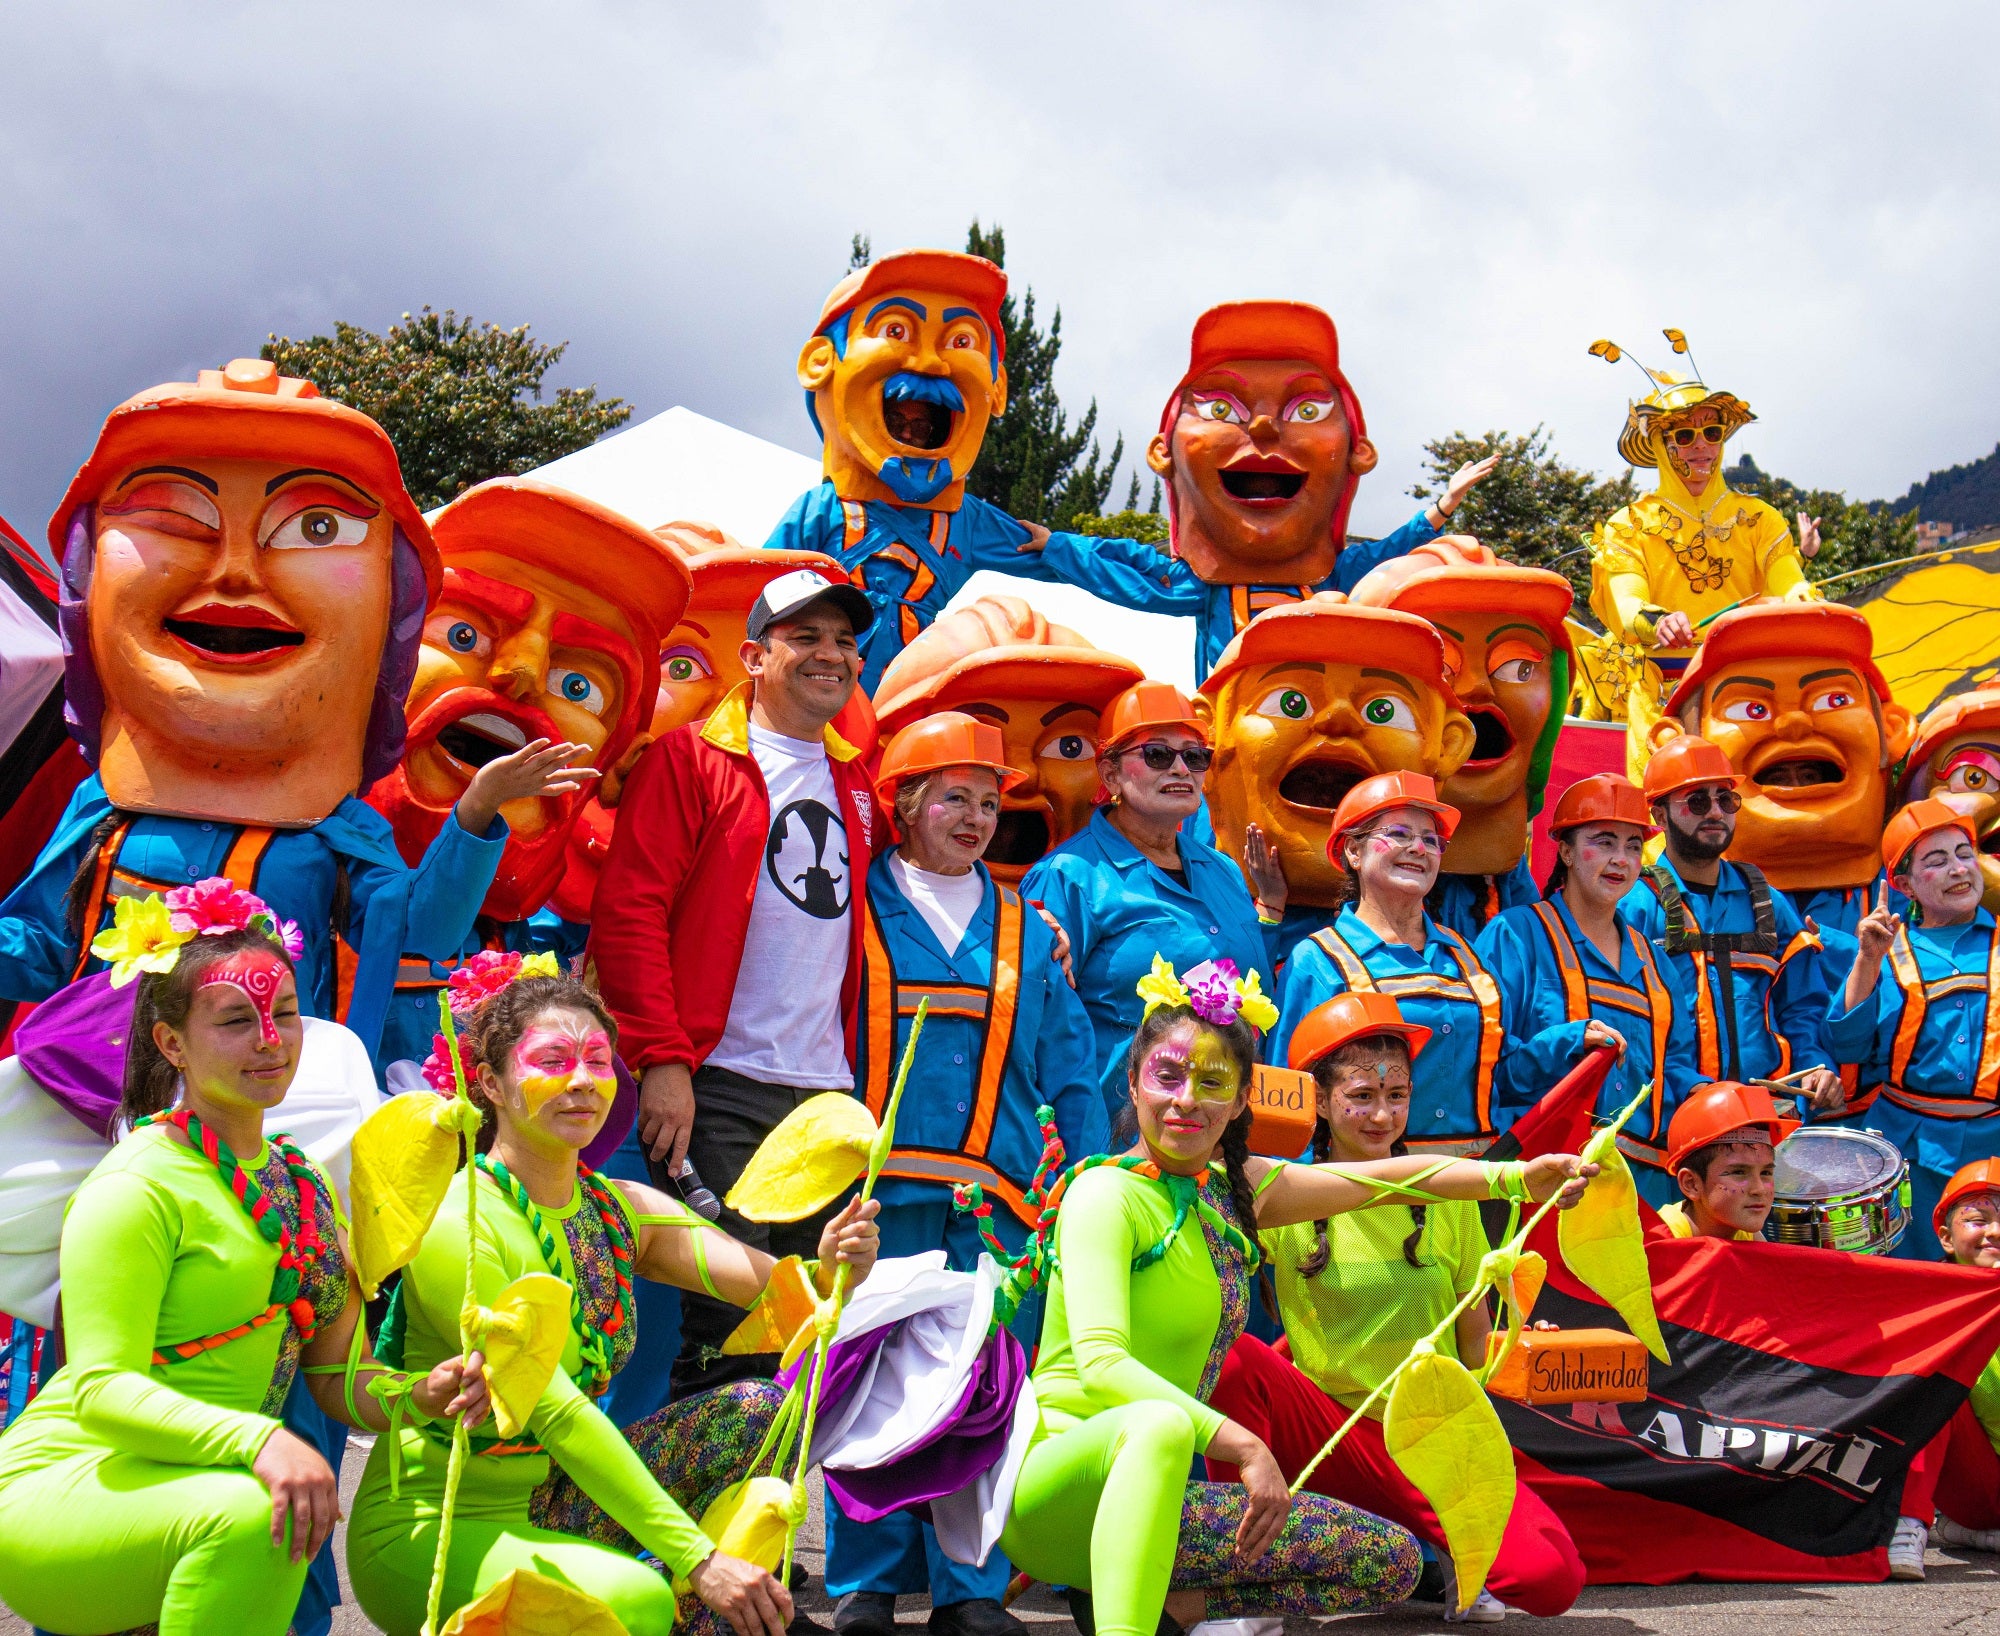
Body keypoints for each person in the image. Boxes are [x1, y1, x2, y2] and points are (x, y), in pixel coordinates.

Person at [999, 956, 1597, 1636]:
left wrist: (1518, 1178)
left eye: (1212, 1082)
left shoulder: (1230, 1191)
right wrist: (1249, 1449)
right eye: (1167, 1076)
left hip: (1169, 1489)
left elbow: (1384, 1182)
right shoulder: (1103, 1193)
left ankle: (1172, 1605)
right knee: (1171, 1418)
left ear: (1239, 1100)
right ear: (1133, 1081)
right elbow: (1102, 1365)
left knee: (1390, 1563)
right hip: (1073, 1488)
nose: (1187, 1099)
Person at [0, 360, 568, 1066]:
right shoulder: (107, 808)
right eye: (174, 515)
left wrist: (478, 814)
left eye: (317, 527)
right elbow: (38, 947)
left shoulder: (338, 827)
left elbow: (418, 930)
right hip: (103, 1091)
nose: (236, 571)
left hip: (263, 1105)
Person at [0, 886, 488, 1634]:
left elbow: (335, 1379)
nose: (271, 1039)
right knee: (260, 1515)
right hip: (71, 1486)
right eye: (236, 1020)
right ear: (171, 1044)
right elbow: (99, 1387)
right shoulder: (136, 1185)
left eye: (286, 1013)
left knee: (256, 1517)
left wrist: (422, 1393)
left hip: (210, 1498)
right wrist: (259, 1437)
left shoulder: (305, 1189)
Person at [346, 970, 883, 1636]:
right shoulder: (461, 1221)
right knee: (634, 1600)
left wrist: (834, 1269)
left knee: (758, 1411)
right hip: (439, 1524)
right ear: (489, 1084)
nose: (582, 1080)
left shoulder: (615, 1209)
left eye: (597, 1061)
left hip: (554, 1501)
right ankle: (690, 1599)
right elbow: (559, 1412)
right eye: (552, 1061)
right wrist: (700, 1559)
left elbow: (781, 1290)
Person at [829, 713, 1107, 1636]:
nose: (977, 818)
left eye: (990, 803)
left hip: (1000, 1208)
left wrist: (1094, 1191)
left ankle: (970, 1589)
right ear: (904, 804)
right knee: (866, 1384)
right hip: (877, 1201)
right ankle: (864, 1585)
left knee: (984, 1394)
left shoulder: (1030, 928)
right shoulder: (848, 909)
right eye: (955, 797)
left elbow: (1070, 1069)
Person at [590, 567, 886, 1397]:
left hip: (827, 1096)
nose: (831, 654)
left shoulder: (858, 781)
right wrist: (665, 1061)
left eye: (844, 640)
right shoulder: (689, 760)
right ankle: (687, 1531)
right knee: (729, 1337)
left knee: (805, 1335)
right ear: (754, 656)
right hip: (721, 1086)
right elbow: (630, 913)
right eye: (806, 637)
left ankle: (757, 1526)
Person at [1207, 991, 1586, 1623]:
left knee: (1551, 1581)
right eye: (1360, 1096)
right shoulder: (1277, 1190)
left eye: (1397, 1095)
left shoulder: (1450, 1191)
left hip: (1428, 1436)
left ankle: (1448, 1551)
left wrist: (1511, 1345)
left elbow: (1472, 1336)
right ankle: (1242, 1576)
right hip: (1329, 1435)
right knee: (1235, 1358)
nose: (1382, 1115)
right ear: (1320, 1102)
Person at [366, 476, 694, 1075]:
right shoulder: (309, 861)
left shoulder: (559, 962)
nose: (519, 673)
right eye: (463, 633)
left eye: (579, 685)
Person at [1016, 300, 1497, 683]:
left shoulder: (1331, 578)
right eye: (1221, 408)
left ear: (1360, 452)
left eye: (1306, 410)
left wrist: (1443, 505)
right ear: (1164, 451)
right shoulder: (1202, 586)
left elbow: (1389, 556)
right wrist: (1058, 545)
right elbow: (1125, 571)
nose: (1264, 428)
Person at [764, 248, 1144, 694]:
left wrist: (1163, 570)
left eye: (922, 425)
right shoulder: (822, 511)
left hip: (905, 696)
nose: (928, 362)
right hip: (822, 689)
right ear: (821, 362)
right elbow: (760, 597)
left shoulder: (966, 521)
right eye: (896, 330)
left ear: (996, 388)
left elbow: (1070, 560)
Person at [1020, 683, 1274, 1117]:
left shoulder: (1226, 872)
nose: (1180, 769)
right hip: (1116, 1138)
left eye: (1194, 756)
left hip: (1220, 1137)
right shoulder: (1068, 876)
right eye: (1157, 754)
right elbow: (1039, 1028)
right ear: (1110, 774)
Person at [1271, 773, 1540, 1157]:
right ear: (1353, 851)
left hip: (1474, 1190)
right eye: (1399, 834)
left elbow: (1502, 1071)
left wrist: (1570, 1044)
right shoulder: (1318, 960)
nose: (1419, 848)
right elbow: (1291, 1096)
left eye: (1431, 840)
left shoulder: (1466, 957)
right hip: (1371, 1196)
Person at [1476, 774, 1705, 1200]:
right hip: (1548, 1183)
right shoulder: (1515, 936)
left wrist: (1699, 1090)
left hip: (1644, 1190)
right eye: (1604, 841)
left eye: (1633, 846)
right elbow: (1488, 1073)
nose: (1621, 858)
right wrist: (1565, 1041)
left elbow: (1671, 1067)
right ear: (1564, 850)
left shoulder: (1655, 963)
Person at [1349, 537, 1577, 940]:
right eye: (1442, 667)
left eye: (1518, 668)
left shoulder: (1512, 896)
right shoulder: (1332, 917)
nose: (1476, 689)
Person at [1620, 737, 1839, 1109]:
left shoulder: (1768, 902)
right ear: (1659, 815)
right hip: (1674, 1117)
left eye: (1726, 799)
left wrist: (1815, 1066)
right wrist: (1685, 1085)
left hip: (1771, 1113)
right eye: (1697, 801)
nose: (1716, 812)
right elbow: (1630, 1024)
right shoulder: (1635, 906)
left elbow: (1802, 1005)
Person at [1827, 798, 2000, 1256]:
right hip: (1908, 1151)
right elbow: (1847, 1044)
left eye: (1965, 854)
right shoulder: (1883, 951)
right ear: (1903, 884)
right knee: (1915, 1279)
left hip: (1995, 1146)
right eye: (1937, 861)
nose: (1959, 869)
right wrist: (1866, 959)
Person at [1905, 1160, 2000, 1557]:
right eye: (1977, 1220)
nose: (1995, 1231)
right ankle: (1907, 1522)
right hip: (1980, 1486)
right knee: (1928, 1378)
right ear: (1945, 1238)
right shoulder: (1929, 1304)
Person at [1655, 1080, 1797, 1241]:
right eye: (1739, 1172)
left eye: (1765, 1172)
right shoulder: (1659, 1241)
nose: (1759, 1189)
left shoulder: (1750, 1236)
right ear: (1691, 1184)